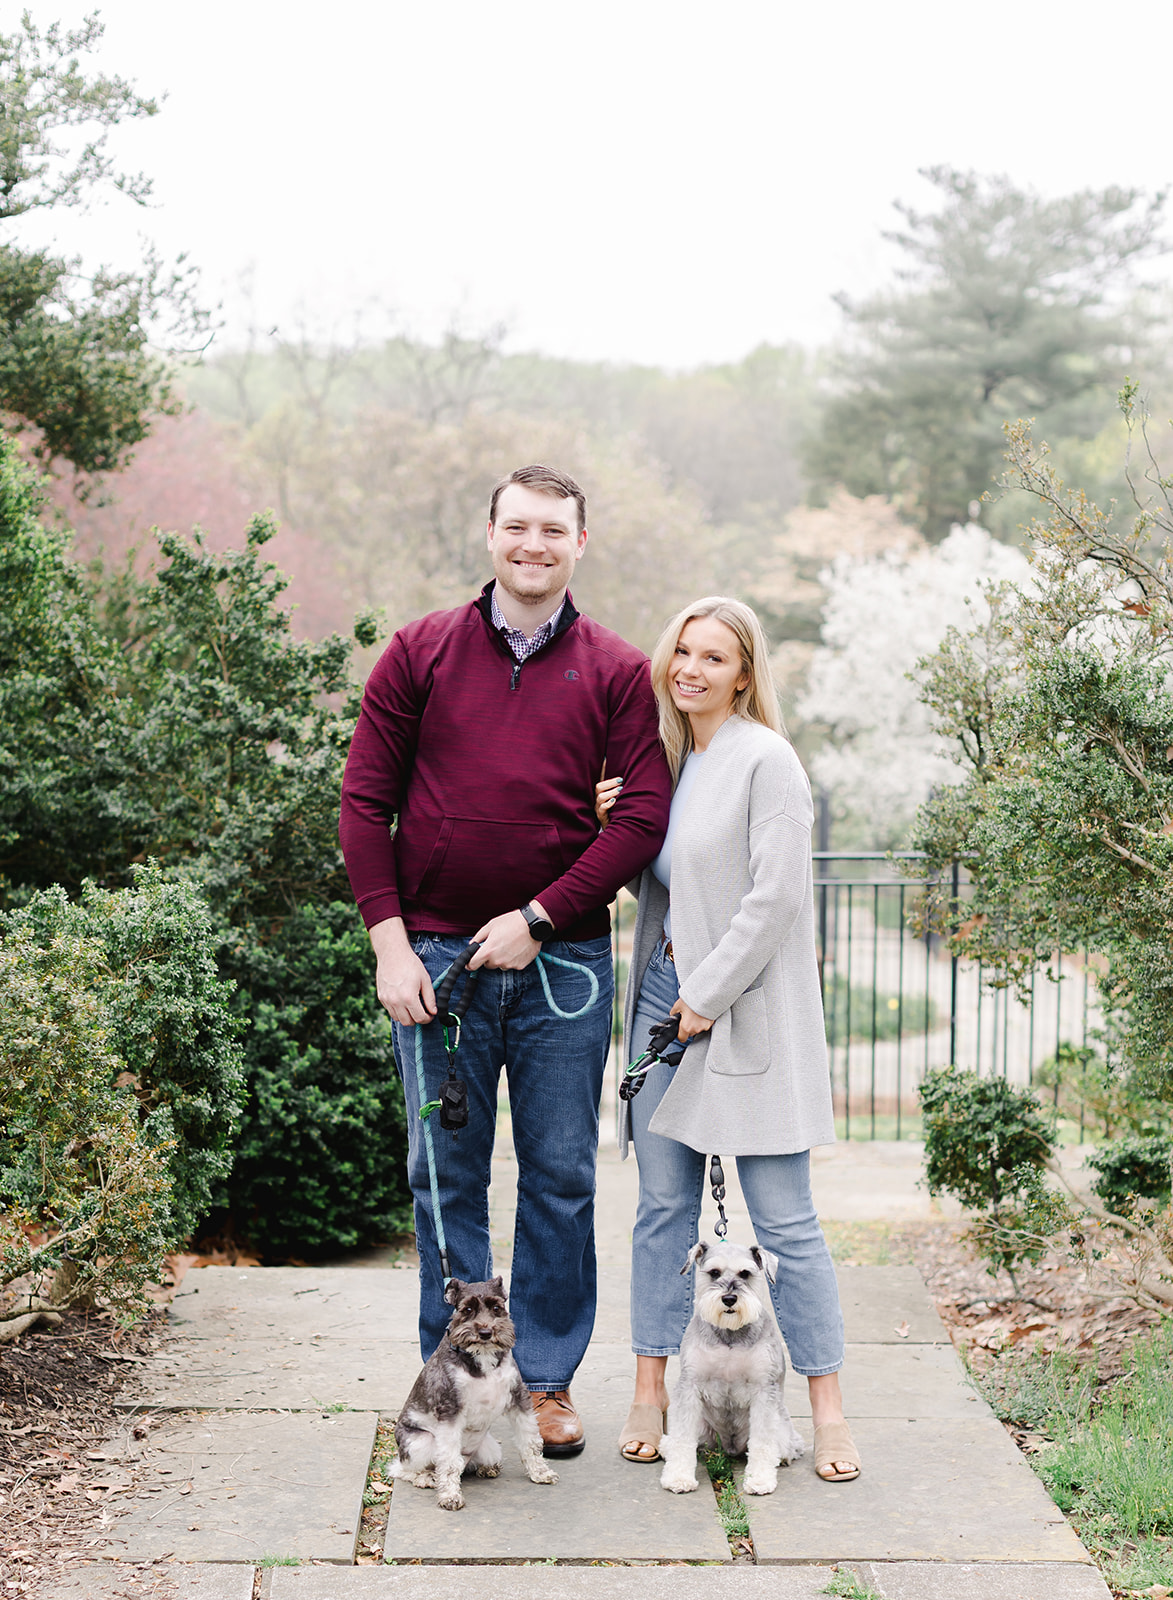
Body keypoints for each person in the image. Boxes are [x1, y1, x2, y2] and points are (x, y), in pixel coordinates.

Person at [339, 463, 671, 1458]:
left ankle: (546, 1381)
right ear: (490, 534)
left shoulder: (616, 670)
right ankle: (452, 1387)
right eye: (517, 526)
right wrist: (390, 945)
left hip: (563, 963)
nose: (534, 545)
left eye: (553, 530)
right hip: (435, 959)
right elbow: (364, 802)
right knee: (443, 1177)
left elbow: (642, 819)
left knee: (562, 1173)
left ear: (580, 543)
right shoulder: (420, 651)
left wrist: (540, 913)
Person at [596, 595, 860, 1482]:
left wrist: (706, 996)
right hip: (663, 1001)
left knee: (785, 1221)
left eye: (713, 657)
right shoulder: (672, 765)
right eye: (682, 652)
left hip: (742, 1013)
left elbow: (775, 896)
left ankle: (826, 1414)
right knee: (660, 1213)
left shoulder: (766, 760)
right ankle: (650, 1391)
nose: (690, 670)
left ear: (743, 674)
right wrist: (617, 829)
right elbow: (679, 895)